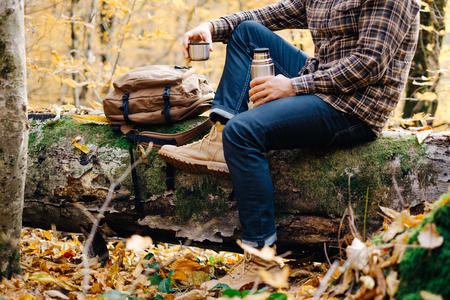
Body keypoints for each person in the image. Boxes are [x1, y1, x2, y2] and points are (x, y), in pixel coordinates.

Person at [158, 0, 420, 290]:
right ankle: (218, 141)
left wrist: (294, 86)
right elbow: (271, 14)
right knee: (247, 32)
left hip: (355, 107)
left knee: (242, 132)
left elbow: (368, 64)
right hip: (320, 80)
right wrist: (210, 27)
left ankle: (261, 263)